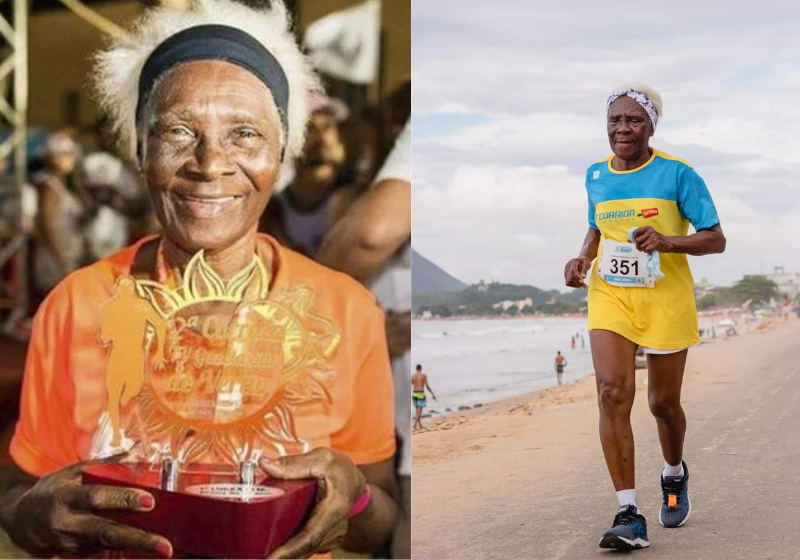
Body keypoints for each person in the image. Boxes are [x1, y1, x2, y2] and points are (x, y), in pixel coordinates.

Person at [0, 2, 398, 559]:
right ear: (140, 148)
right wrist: (36, 515)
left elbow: (379, 521)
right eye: (179, 132)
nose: (210, 164)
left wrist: (352, 498)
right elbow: (19, 495)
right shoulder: (78, 302)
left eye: (244, 134)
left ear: (282, 153)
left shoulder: (345, 309)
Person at [564, 82, 725, 551]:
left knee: (662, 405)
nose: (622, 128)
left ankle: (673, 473)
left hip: (665, 298)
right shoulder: (596, 174)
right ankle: (628, 513)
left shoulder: (677, 173)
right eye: (615, 119)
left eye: (633, 119)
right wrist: (582, 259)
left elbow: (715, 238)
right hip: (610, 296)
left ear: (652, 124)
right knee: (612, 393)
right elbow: (598, 225)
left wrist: (668, 241)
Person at [316, 120, 411, 559]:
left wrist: (293, 298)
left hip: (386, 395)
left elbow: (371, 235)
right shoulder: (350, 195)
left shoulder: (365, 205)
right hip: (382, 395)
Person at [260, 94, 357, 256]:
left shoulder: (354, 200)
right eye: (310, 127)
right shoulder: (271, 211)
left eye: (327, 126)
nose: (321, 137)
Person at [30, 133, 89, 303]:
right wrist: (60, 259)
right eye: (64, 154)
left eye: (71, 154)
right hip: (56, 258)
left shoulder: (66, 185)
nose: (69, 159)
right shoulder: (49, 186)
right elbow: (45, 223)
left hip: (67, 254)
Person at [412, 365, 437, 431]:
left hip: (414, 393)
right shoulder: (423, 376)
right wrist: (432, 394)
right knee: (419, 411)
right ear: (421, 368)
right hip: (420, 393)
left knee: (417, 410)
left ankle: (419, 425)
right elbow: (427, 386)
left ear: (416, 369)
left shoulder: (413, 376)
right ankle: (414, 425)